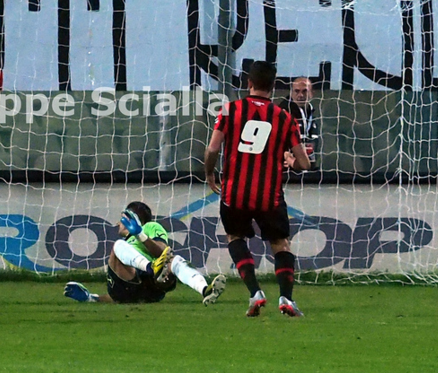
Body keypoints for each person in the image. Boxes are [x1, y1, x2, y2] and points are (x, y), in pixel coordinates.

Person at [204, 60, 312, 318]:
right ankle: (286, 298)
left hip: (234, 192)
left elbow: (212, 148)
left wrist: (209, 172)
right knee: (280, 243)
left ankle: (255, 293)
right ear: (273, 87)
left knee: (235, 238)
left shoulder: (230, 110)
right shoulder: (285, 117)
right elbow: (305, 163)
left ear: (248, 83)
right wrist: (291, 162)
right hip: (269, 195)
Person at [62, 201, 226, 306]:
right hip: (131, 284)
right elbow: (121, 297)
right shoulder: (126, 245)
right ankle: (151, 267)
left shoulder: (150, 227)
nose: (118, 223)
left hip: (152, 283)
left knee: (174, 259)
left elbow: (162, 250)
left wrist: (140, 234)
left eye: (122, 218)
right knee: (119, 245)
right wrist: (92, 298)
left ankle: (205, 289)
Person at [277, 76, 321, 169]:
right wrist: (285, 157)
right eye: (296, 91)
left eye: (304, 91)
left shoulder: (311, 112)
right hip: (288, 169)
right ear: (291, 93)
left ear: (312, 93)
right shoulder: (283, 113)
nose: (300, 95)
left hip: (308, 167)